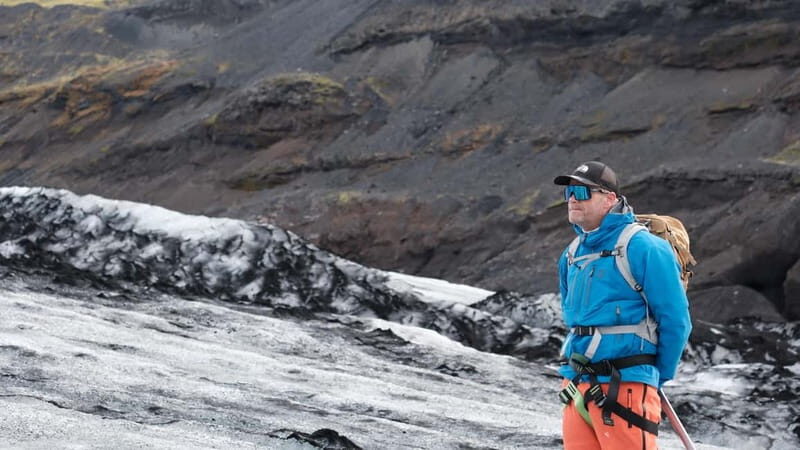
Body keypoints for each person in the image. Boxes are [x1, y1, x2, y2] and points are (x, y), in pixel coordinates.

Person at [553, 161, 692, 449]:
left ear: (610, 198)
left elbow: (676, 320)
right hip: (576, 386)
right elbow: (572, 319)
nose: (573, 199)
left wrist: (654, 377)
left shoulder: (645, 247)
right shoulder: (570, 254)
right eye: (569, 192)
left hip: (626, 386)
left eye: (582, 192)